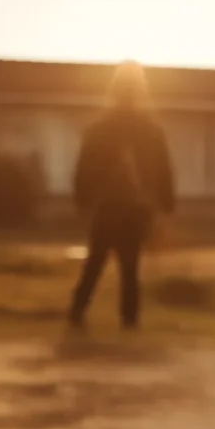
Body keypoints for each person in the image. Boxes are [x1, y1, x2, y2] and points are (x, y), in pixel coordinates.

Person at [69, 61, 175, 330]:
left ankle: (78, 313)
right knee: (129, 266)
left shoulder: (101, 129)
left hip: (109, 207)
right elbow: (162, 168)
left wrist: (82, 198)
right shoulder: (149, 130)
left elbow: (84, 166)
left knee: (96, 263)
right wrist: (166, 202)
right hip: (132, 208)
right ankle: (128, 320)